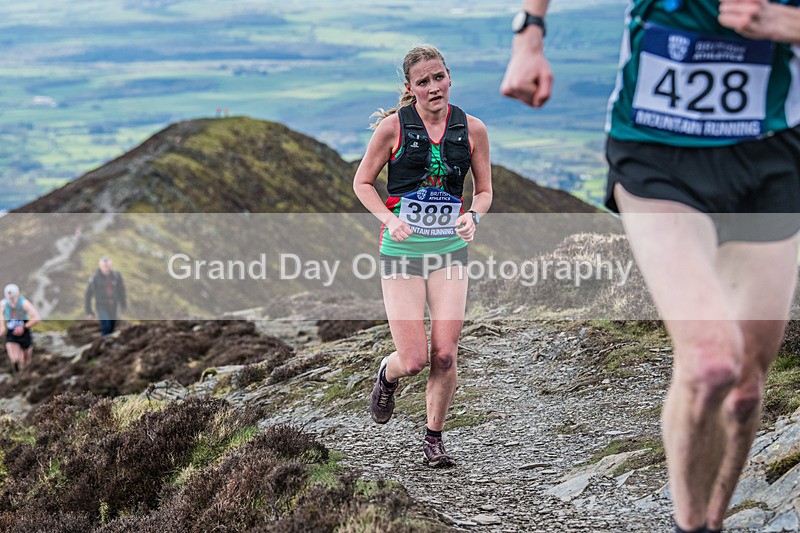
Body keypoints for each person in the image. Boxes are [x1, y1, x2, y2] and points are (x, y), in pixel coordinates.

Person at [502, 1, 800, 531]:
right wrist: (529, 36)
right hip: (657, 149)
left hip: (772, 152)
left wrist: (790, 26)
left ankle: (714, 518)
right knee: (711, 363)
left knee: (745, 390)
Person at [353, 44, 492, 467]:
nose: (434, 87)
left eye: (439, 77)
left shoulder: (473, 129)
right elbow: (362, 183)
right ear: (410, 89)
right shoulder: (393, 129)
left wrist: (473, 215)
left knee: (446, 354)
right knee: (413, 360)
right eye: (423, 82)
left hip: (450, 251)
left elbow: (484, 192)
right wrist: (389, 219)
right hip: (402, 252)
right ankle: (386, 374)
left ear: (450, 77)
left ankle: (434, 438)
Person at [0, 284, 41, 373]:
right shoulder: (3, 304)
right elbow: (1, 315)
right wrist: (2, 327)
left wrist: (23, 327)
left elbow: (37, 318)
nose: (11, 300)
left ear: (17, 295)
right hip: (11, 333)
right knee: (15, 359)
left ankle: (24, 377)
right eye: (9, 297)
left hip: (24, 332)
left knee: (25, 361)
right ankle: (17, 376)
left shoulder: (24, 303)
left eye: (13, 297)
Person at [84, 256, 127, 336]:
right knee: (106, 325)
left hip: (113, 305)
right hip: (101, 306)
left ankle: (109, 344)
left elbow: (122, 291)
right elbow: (88, 295)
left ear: (110, 265)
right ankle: (104, 342)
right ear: (100, 266)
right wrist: (88, 311)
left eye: (107, 266)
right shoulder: (94, 278)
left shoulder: (116, 276)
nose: (106, 268)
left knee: (112, 327)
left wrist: (123, 305)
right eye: (104, 266)